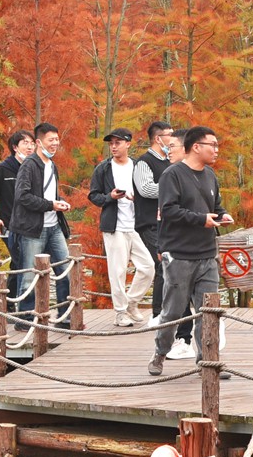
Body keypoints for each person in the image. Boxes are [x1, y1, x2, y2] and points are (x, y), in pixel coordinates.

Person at [148, 126, 232, 378]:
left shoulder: (210, 175)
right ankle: (160, 353)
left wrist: (221, 214)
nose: (216, 150)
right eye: (212, 145)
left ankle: (207, 361)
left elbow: (214, 206)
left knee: (209, 311)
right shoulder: (172, 175)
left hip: (207, 254)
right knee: (173, 311)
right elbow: (169, 210)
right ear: (197, 146)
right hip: (180, 254)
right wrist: (200, 219)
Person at [10, 122, 74, 340]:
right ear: (38, 142)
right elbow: (23, 196)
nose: (55, 143)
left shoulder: (52, 165)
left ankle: (65, 316)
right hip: (32, 229)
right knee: (29, 276)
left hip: (54, 226)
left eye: (57, 140)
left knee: (65, 270)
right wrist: (50, 205)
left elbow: (50, 194)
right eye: (50, 140)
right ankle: (25, 320)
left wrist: (60, 202)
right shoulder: (29, 165)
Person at [87, 129, 154, 326]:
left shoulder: (138, 166)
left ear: (128, 144)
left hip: (137, 225)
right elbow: (93, 196)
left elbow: (148, 191)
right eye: (111, 143)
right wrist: (110, 197)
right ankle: (120, 313)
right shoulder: (104, 168)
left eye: (118, 142)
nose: (114, 146)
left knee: (148, 267)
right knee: (117, 272)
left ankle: (132, 302)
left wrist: (137, 198)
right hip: (114, 226)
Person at [131, 122, 179, 340]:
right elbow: (145, 189)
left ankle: (169, 313)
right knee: (161, 265)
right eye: (169, 135)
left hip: (167, 223)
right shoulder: (143, 162)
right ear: (158, 138)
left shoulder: (171, 162)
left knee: (170, 266)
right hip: (149, 223)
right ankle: (158, 314)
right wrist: (173, 186)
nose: (172, 138)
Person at [0, 131, 33, 238]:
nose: (30, 147)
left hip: (32, 227)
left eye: (32, 143)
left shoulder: (35, 169)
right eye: (25, 143)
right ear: (15, 147)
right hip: (10, 227)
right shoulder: (2, 169)